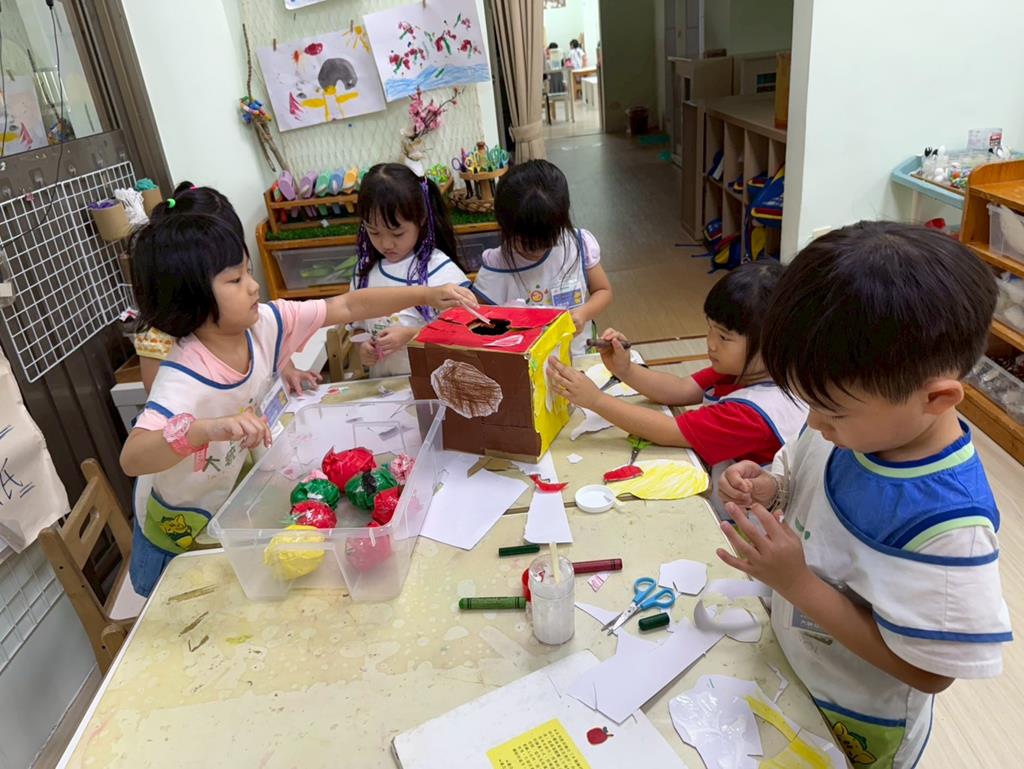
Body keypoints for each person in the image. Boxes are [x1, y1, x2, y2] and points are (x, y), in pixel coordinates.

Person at [717, 222, 1011, 768]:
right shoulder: (851, 424)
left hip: (856, 718)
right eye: (808, 403)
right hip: (795, 667)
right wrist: (773, 486)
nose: (814, 423)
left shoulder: (948, 526)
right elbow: (803, 468)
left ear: (937, 399)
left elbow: (931, 672)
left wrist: (797, 584)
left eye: (830, 411)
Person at [120, 185, 477, 596]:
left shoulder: (264, 323)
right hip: (175, 520)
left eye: (248, 272)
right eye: (235, 279)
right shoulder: (183, 375)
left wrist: (427, 293)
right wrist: (204, 430)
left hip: (228, 500)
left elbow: (347, 306)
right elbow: (133, 457)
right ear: (191, 299)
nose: (254, 286)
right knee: (173, 597)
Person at [547, 261, 805, 516]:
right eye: (710, 329)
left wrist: (596, 400)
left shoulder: (753, 414)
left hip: (744, 524)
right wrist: (625, 369)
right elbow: (681, 389)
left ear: (773, 344)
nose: (711, 343)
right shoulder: (747, 369)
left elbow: (670, 431)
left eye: (724, 337)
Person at [133, 183, 319, 395]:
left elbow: (269, 343)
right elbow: (163, 401)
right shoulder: (159, 339)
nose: (252, 285)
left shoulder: (234, 310)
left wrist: (287, 369)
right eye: (234, 277)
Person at [472, 159, 612, 356]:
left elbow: (603, 291)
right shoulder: (496, 264)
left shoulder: (578, 244)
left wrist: (583, 313)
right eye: (526, 242)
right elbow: (478, 318)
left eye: (547, 241)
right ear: (504, 225)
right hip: (527, 365)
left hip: (577, 354)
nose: (536, 250)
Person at [350, 163, 471, 377]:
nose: (386, 244)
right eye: (373, 232)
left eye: (397, 234)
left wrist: (412, 335)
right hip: (384, 386)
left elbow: (463, 334)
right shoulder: (364, 272)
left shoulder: (440, 270)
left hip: (432, 385)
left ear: (421, 219)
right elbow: (358, 325)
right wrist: (363, 347)